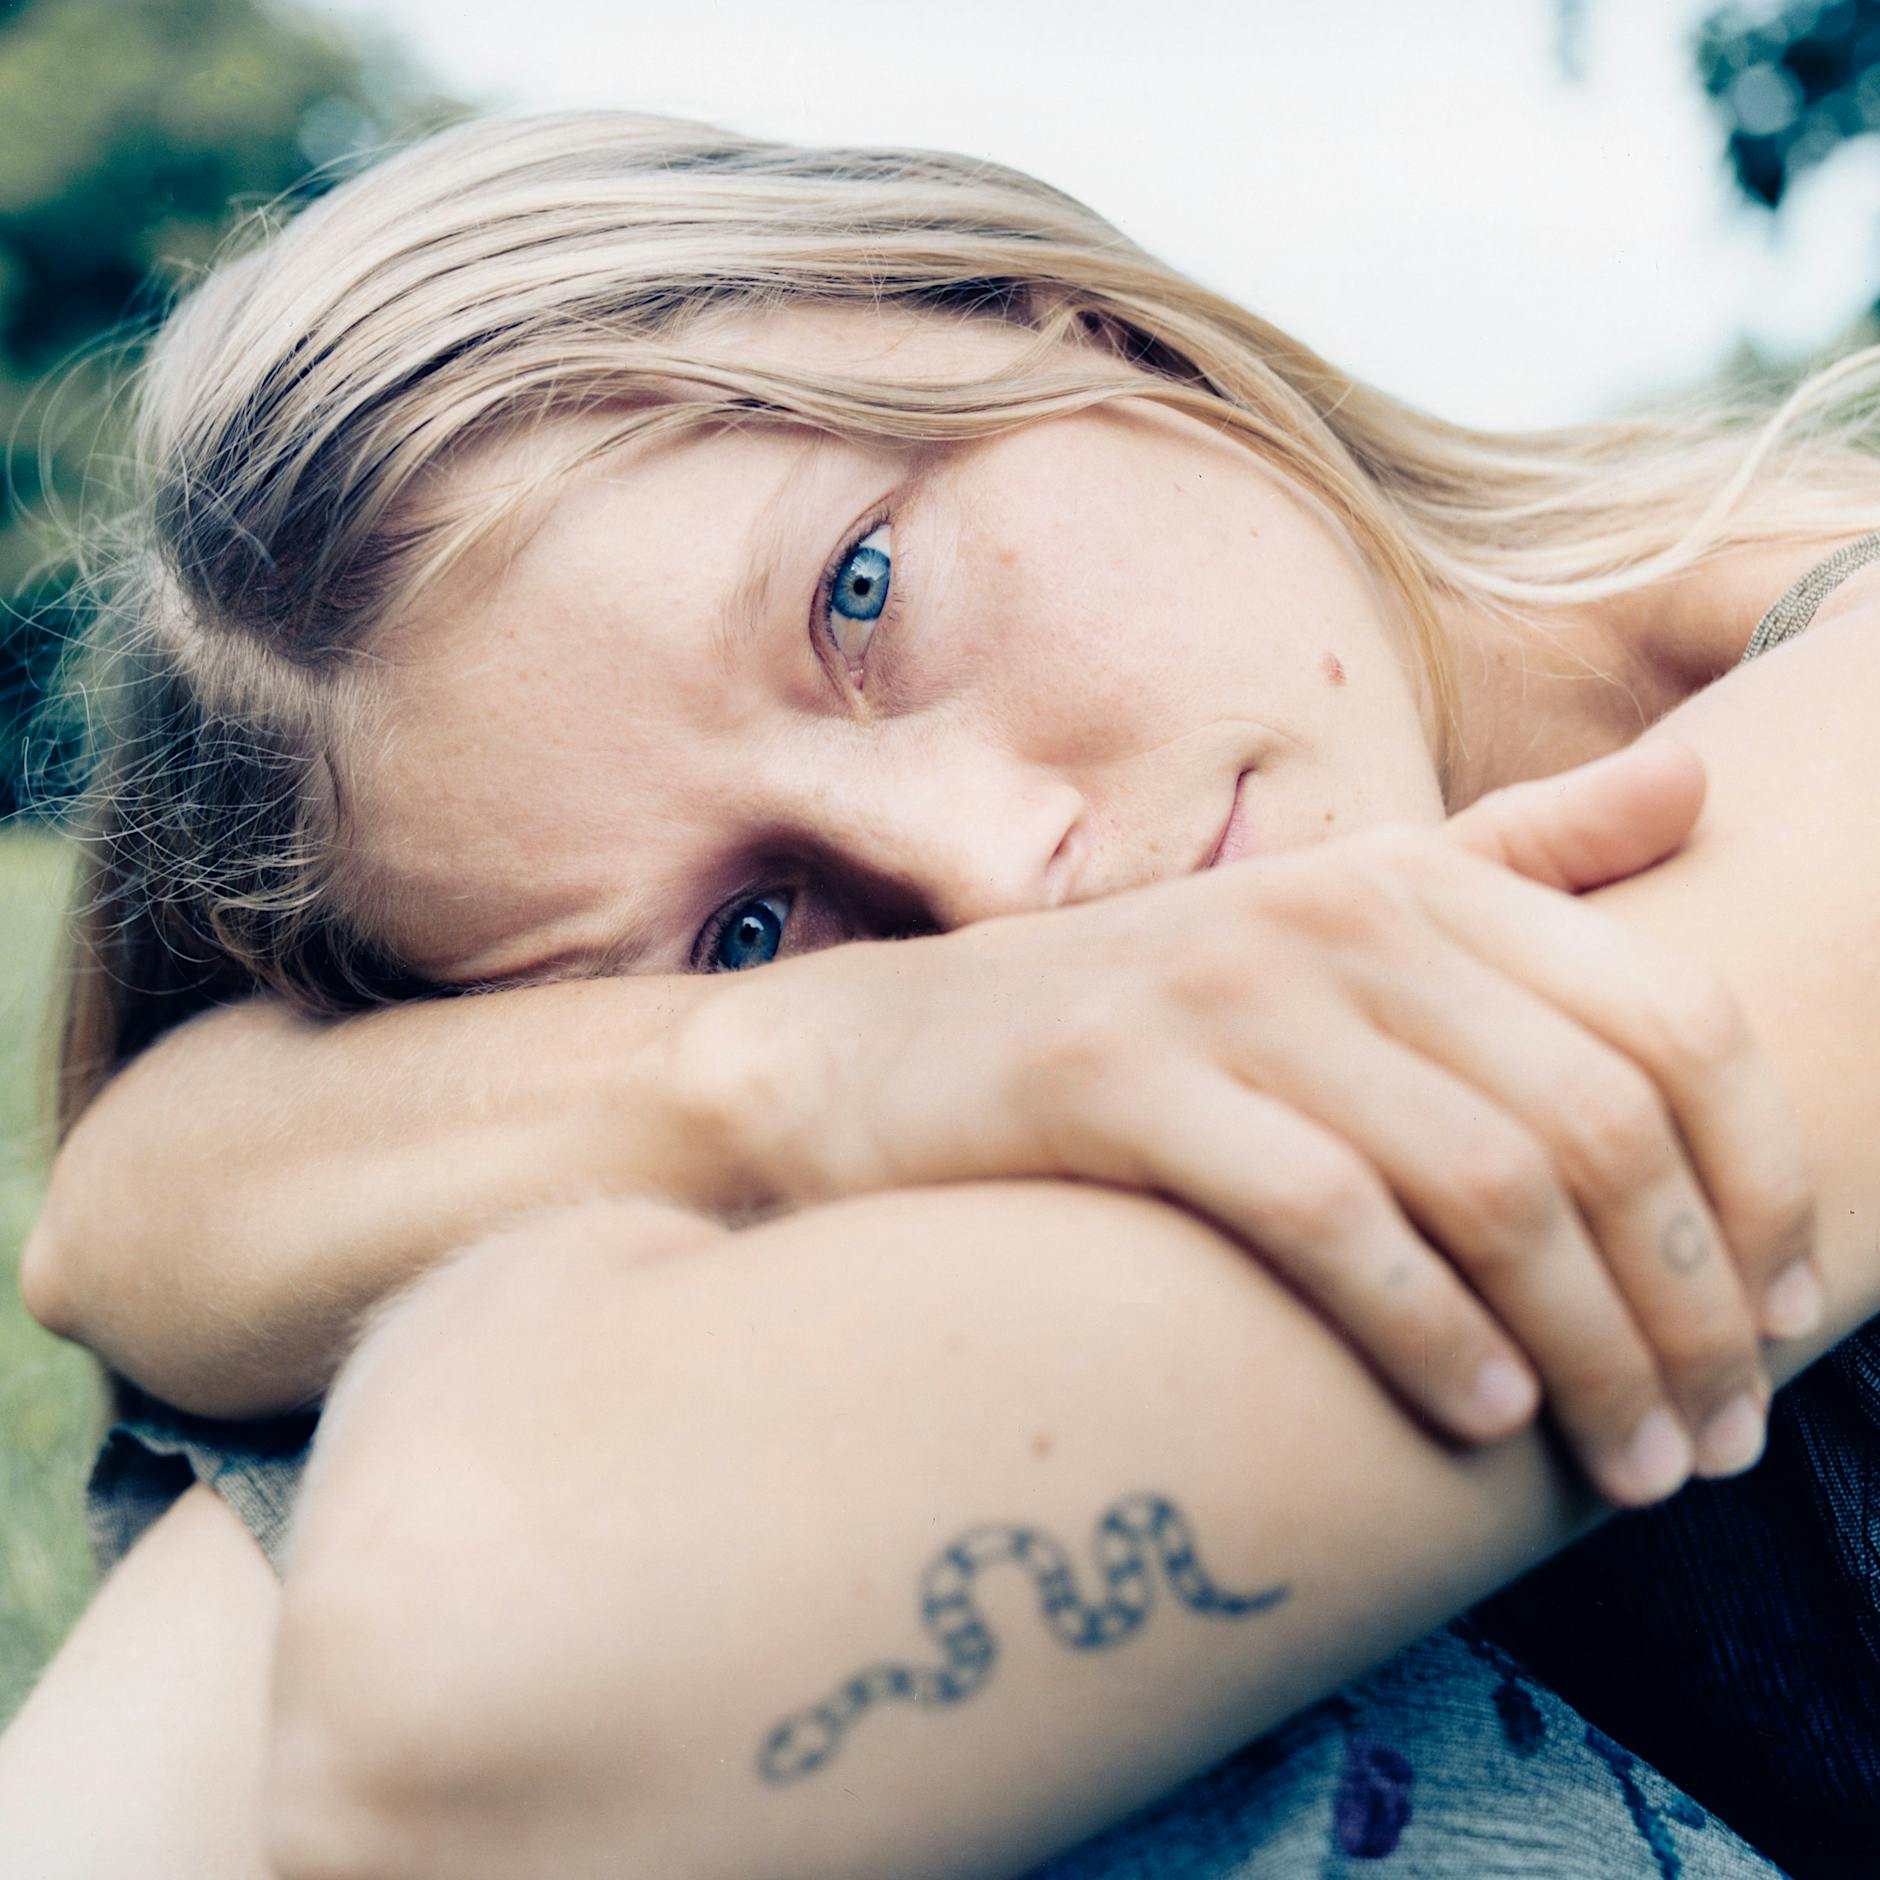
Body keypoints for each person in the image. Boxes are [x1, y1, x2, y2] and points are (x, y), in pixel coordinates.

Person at [3, 109, 1879, 1876]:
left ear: (1043, 318)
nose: (991, 887)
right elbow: (126, 1204)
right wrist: (801, 1071)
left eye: (863, 593)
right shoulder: (941, 1038)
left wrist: (751, 1068)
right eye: (749, 927)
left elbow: (470, 1692)